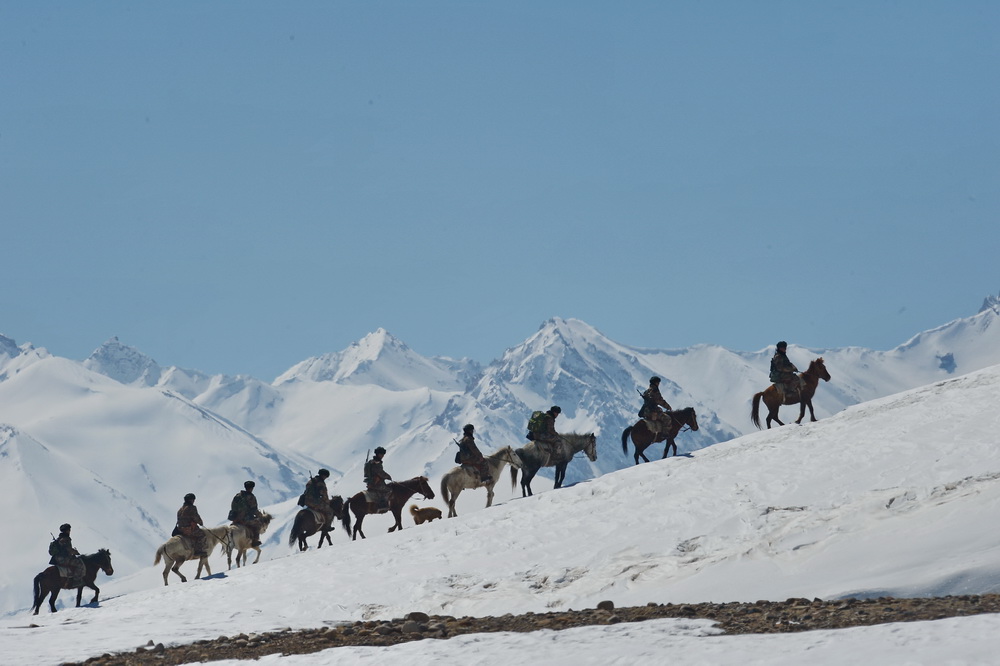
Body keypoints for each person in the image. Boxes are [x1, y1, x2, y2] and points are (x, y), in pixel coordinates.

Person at [230, 480, 262, 547]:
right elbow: (254, 510)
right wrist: (260, 516)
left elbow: (233, 506)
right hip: (246, 519)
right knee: (257, 524)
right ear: (251, 488)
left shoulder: (237, 496)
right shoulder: (251, 497)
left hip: (235, 519)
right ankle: (255, 541)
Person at [175, 493, 208, 557]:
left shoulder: (180, 509)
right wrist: (201, 523)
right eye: (193, 500)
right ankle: (198, 551)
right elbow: (196, 517)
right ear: (190, 500)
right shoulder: (192, 508)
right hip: (188, 529)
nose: (193, 501)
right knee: (202, 535)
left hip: (180, 530)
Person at [364, 446, 392, 511]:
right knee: (388, 490)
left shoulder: (372, 461)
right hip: (376, 483)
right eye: (382, 454)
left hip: (372, 482)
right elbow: (380, 472)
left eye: (383, 454)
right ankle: (382, 505)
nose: (383, 456)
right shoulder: (377, 463)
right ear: (378, 454)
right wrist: (388, 476)